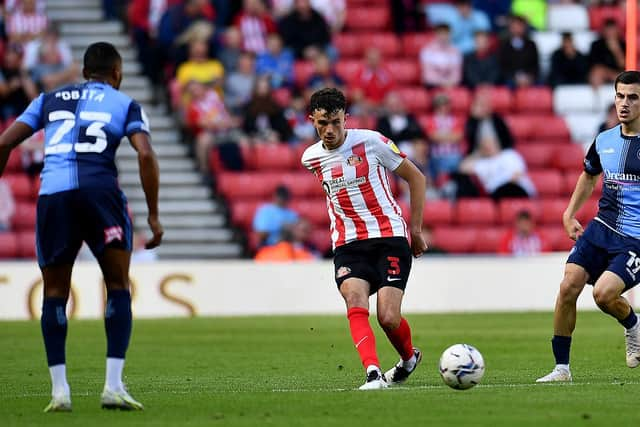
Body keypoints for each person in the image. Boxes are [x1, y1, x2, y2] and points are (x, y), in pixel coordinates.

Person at [0, 42, 163, 411]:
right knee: (118, 284)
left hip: (53, 196)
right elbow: (146, 154)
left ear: (85, 72)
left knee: (55, 292)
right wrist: (153, 215)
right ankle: (113, 386)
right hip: (100, 194)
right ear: (117, 74)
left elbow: (5, 142)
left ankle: (60, 392)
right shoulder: (126, 105)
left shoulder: (47, 99)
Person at [301, 88, 428, 390]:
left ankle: (409, 359)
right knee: (354, 299)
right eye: (322, 124)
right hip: (348, 244)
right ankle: (373, 373)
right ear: (312, 121)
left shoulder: (372, 142)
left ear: (346, 117)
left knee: (388, 317)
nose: (329, 130)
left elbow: (417, 178)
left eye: (335, 122)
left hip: (389, 237)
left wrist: (417, 230)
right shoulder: (311, 158)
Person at [536, 71, 640, 383]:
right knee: (569, 286)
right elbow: (589, 175)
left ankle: (633, 325)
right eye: (620, 96)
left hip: (635, 238)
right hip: (601, 227)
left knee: (605, 295)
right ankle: (561, 369)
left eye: (633, 97)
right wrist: (569, 213)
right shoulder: (604, 140)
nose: (624, 103)